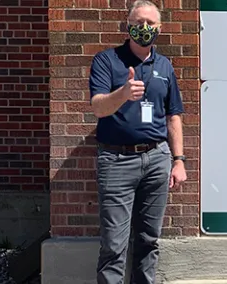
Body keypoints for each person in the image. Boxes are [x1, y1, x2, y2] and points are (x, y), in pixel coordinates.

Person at [87, 0, 187, 283]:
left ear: (160, 28)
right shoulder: (107, 61)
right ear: (128, 25)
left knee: (148, 240)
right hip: (117, 161)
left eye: (150, 23)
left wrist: (178, 161)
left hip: (157, 160)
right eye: (138, 21)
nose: (144, 27)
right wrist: (123, 93)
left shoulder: (164, 65)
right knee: (114, 244)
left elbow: (173, 116)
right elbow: (98, 107)